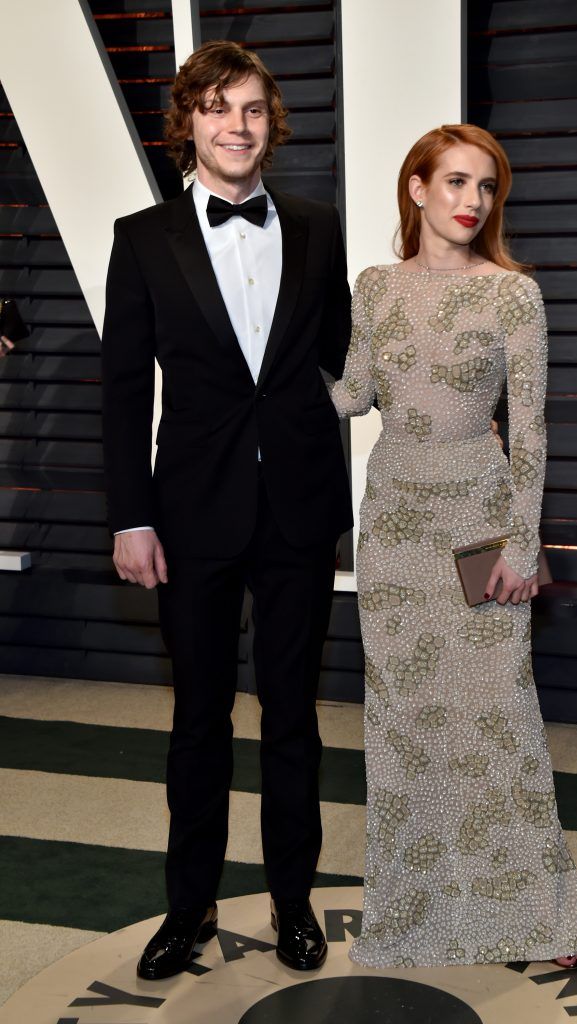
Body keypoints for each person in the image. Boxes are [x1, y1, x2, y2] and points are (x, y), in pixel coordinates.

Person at [101, 40, 352, 979]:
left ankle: (294, 904)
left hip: (297, 511)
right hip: (189, 517)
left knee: (294, 719)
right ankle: (189, 908)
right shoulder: (142, 237)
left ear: (270, 124)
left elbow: (346, 366)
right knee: (198, 720)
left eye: (250, 108)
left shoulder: (321, 229)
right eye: (215, 108)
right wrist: (132, 517)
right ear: (188, 126)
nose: (235, 125)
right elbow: (124, 392)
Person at [331, 125, 577, 969]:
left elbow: (532, 430)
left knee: (498, 715)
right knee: (405, 725)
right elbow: (354, 392)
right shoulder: (374, 286)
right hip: (395, 524)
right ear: (416, 190)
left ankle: (542, 919)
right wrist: (254, 360)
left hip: (482, 520)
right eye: (454, 183)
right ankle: (416, 919)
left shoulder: (512, 295)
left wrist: (523, 545)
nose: (472, 202)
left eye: (485, 187)